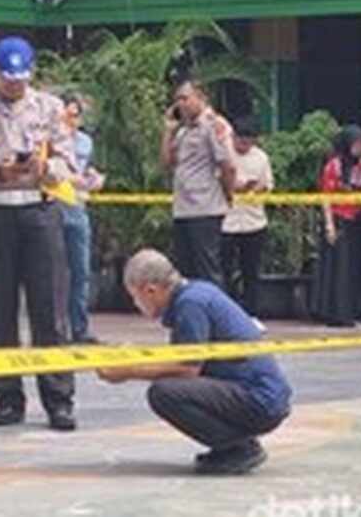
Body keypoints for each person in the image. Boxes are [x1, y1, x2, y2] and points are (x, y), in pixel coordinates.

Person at [0, 36, 77, 432]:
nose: (14, 86)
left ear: (32, 72)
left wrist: (45, 170)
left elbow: (68, 163)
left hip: (39, 211)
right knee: (0, 310)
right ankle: (7, 399)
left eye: (21, 80)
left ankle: (59, 400)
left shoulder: (50, 108)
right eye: (8, 79)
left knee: (50, 309)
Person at [97, 249, 292, 475]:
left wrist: (129, 371)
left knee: (164, 393)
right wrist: (136, 358)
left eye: (135, 297)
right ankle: (235, 445)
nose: (135, 304)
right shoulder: (196, 293)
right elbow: (182, 358)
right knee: (171, 387)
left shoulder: (190, 305)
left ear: (150, 290)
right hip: (261, 394)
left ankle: (237, 448)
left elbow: (187, 369)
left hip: (259, 399)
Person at [161, 80, 236, 285]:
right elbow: (167, 162)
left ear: (201, 98)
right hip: (183, 208)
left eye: (185, 98)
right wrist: (168, 131)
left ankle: (214, 315)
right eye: (177, 100)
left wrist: (228, 195)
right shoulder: (183, 130)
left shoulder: (214, 125)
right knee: (186, 271)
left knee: (208, 270)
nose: (180, 104)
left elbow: (228, 166)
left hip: (205, 208)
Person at [312, 125, 361, 327]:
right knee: (341, 270)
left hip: (359, 221)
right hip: (340, 220)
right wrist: (329, 225)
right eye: (357, 143)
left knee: (356, 267)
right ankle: (339, 314)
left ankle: (356, 310)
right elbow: (326, 197)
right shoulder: (334, 166)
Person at [61, 93, 105, 344]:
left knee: (80, 271)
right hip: (54, 210)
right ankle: (56, 327)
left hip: (77, 209)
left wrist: (93, 178)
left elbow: (87, 169)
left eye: (76, 115)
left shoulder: (85, 142)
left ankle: (79, 327)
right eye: (68, 114)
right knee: (56, 273)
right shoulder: (49, 141)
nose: (72, 120)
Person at [220, 117, 273, 320]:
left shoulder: (261, 157)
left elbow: (268, 184)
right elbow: (219, 181)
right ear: (233, 137)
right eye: (241, 141)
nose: (244, 146)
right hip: (227, 222)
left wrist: (257, 189)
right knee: (225, 271)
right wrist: (236, 186)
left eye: (249, 142)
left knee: (251, 271)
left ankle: (251, 313)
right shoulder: (225, 156)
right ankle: (226, 313)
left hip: (254, 222)